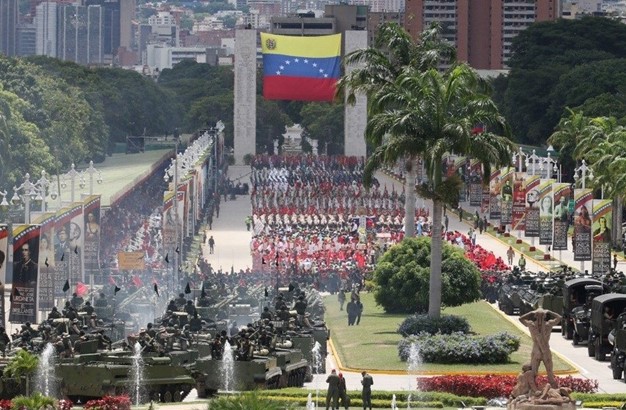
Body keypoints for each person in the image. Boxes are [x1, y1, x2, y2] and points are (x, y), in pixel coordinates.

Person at [519, 308, 562, 388]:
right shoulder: (548, 324)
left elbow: (521, 318)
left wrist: (531, 312)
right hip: (543, 350)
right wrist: (549, 311)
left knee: (541, 373)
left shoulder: (532, 325)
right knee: (544, 373)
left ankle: (535, 390)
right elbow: (559, 317)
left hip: (538, 351)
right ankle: (535, 390)